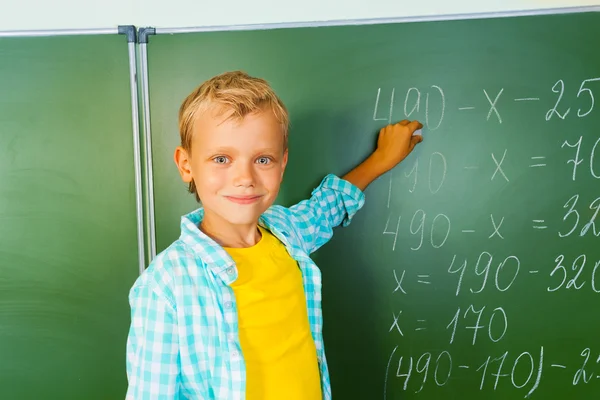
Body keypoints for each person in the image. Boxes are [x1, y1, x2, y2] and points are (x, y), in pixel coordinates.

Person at [125, 70, 423, 400]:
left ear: (282, 164)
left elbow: (327, 207)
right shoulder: (166, 285)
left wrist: (381, 159)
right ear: (186, 165)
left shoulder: (287, 232)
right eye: (222, 159)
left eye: (262, 159)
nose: (245, 177)